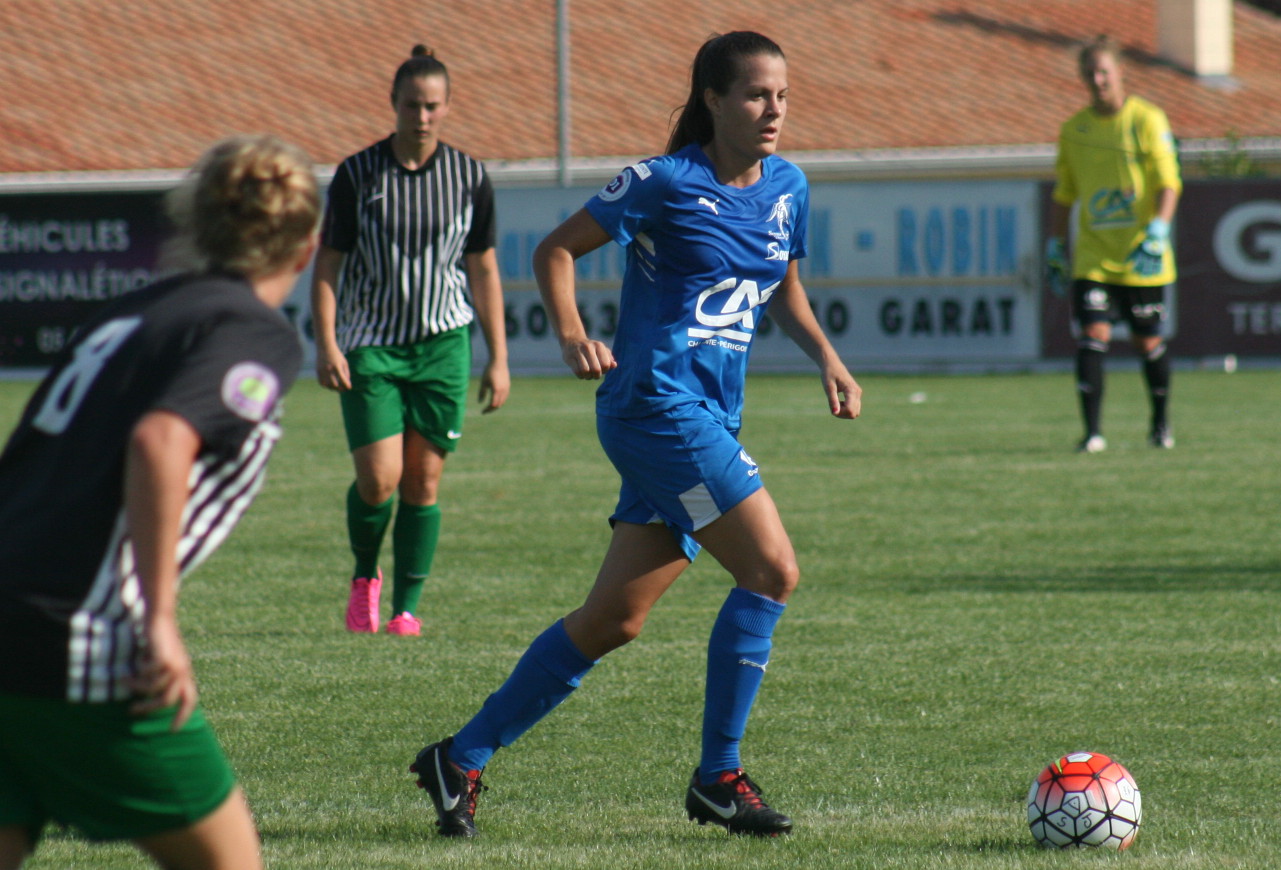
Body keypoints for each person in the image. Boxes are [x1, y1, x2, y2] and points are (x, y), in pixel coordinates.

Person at [409, 31, 861, 839]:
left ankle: (459, 757)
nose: (773, 110)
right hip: (655, 409)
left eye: (782, 95)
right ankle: (718, 778)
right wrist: (572, 334)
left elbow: (783, 286)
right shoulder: (663, 182)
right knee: (770, 571)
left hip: (705, 418)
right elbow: (555, 250)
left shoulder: (788, 186)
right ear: (713, 100)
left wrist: (826, 357)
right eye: (756, 94)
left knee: (613, 620)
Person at [0, 135, 319, 870]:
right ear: (306, 249)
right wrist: (161, 621)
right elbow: (161, 438)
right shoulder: (252, 330)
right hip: (71, 632)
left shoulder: (131, 312)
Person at [312, 44, 511, 637]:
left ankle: (405, 609)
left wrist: (498, 358)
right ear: (393, 104)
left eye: (431, 106)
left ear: (447, 107)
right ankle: (364, 577)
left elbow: (483, 268)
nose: (421, 117)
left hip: (443, 344)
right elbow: (328, 265)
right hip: (371, 344)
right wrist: (327, 343)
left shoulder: (469, 176)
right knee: (380, 480)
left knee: (423, 481)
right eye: (411, 105)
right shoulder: (357, 174)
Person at [1045, 34, 1182, 453]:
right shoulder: (1074, 130)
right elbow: (1064, 194)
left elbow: (1169, 182)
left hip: (1141, 256)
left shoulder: (1147, 120)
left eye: (1104, 72)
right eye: (1090, 73)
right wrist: (1055, 246)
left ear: (1121, 72)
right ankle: (1092, 434)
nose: (1098, 80)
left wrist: (1158, 230)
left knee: (1147, 342)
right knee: (1092, 334)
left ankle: (1160, 425)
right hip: (1094, 258)